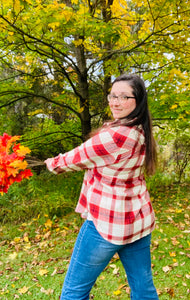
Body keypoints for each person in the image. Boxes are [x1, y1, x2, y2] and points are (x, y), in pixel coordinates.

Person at [45, 74, 159, 300]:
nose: (115, 102)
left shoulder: (116, 136)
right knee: (143, 289)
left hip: (106, 223)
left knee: (74, 292)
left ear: (138, 100)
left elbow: (75, 158)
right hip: (136, 221)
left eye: (123, 97)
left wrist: (53, 164)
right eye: (112, 96)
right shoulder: (139, 128)